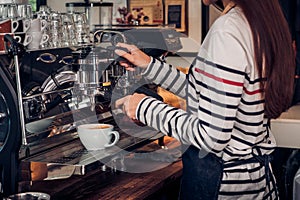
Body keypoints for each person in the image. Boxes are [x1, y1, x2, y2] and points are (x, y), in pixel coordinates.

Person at [115, 0, 295, 199]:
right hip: (255, 182)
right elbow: (209, 95)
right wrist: (150, 66)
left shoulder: (226, 31)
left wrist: (144, 107)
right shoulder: (255, 22)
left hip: (224, 186)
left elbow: (212, 137)